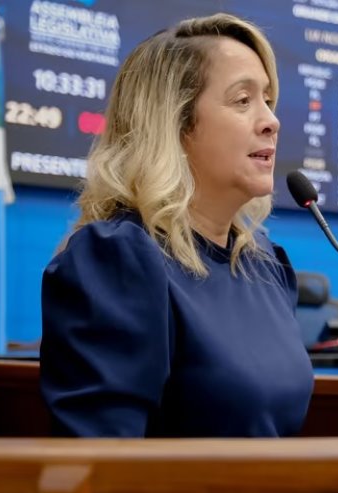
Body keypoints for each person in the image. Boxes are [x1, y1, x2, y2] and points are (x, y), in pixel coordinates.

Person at [39, 13, 314, 438]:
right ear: (175, 125)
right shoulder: (118, 259)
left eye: (268, 100)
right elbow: (102, 458)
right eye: (243, 100)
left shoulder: (266, 264)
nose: (271, 121)